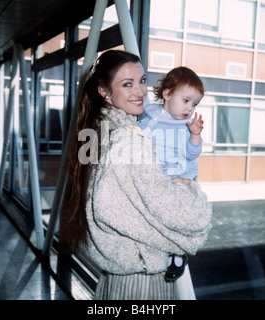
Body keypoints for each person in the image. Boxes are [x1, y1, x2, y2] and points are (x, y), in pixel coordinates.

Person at [59, 50, 212, 300]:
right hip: (142, 279)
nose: (140, 92)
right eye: (127, 84)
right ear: (104, 92)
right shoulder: (131, 142)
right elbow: (186, 219)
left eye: (142, 81)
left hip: (118, 273)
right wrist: (189, 190)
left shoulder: (98, 131)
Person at [138, 66, 205, 281]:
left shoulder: (186, 125)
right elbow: (138, 142)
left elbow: (191, 154)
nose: (190, 108)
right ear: (167, 94)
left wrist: (195, 136)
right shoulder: (152, 118)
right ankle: (168, 249)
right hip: (159, 175)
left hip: (181, 174)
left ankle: (178, 251)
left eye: (194, 104)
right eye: (186, 100)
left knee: (180, 214)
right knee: (159, 214)